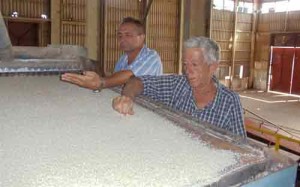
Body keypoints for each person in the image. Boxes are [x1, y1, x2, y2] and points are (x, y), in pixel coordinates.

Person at [112, 36, 246, 138]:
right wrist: (127, 97)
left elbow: (242, 148)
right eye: (185, 64)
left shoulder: (230, 101)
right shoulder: (177, 85)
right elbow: (137, 82)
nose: (187, 71)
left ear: (213, 67)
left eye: (194, 65)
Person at [61, 17, 162, 91]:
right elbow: (115, 79)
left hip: (150, 106)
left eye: (128, 35)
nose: (122, 39)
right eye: (120, 36)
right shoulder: (123, 58)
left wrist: (100, 82)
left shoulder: (151, 57)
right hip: (128, 100)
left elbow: (130, 76)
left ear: (142, 37)